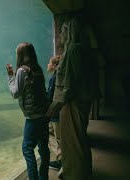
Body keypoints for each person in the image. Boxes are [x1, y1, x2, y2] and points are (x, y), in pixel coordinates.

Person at [47, 14, 97, 180]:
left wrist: (52, 108)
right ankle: (78, 173)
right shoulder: (82, 49)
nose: (60, 35)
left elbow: (69, 85)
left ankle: (76, 175)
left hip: (72, 104)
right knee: (79, 141)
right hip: (79, 102)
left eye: (62, 31)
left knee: (73, 143)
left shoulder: (74, 50)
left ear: (69, 32)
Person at [6, 42, 50, 180]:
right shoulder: (37, 68)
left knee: (27, 149)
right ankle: (44, 177)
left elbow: (15, 93)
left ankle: (33, 178)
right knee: (43, 149)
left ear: (20, 55)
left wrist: (10, 76)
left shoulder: (21, 71)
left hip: (33, 117)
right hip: (43, 114)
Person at [46, 55, 62, 172]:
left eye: (49, 63)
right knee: (50, 133)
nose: (48, 65)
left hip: (54, 113)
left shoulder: (54, 78)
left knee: (58, 137)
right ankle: (60, 158)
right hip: (57, 113)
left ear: (55, 66)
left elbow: (50, 95)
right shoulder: (57, 76)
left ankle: (61, 160)